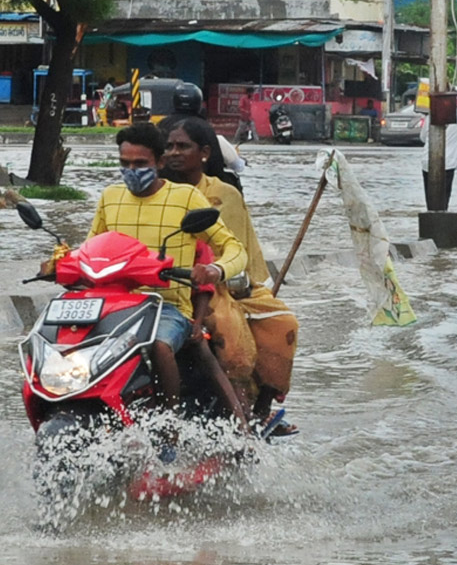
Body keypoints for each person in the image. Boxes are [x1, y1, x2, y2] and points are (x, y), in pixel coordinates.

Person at [87, 122, 249, 428]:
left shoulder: (186, 198)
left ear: (159, 163)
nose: (132, 171)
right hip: (115, 306)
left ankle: (168, 424)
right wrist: (60, 263)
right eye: (125, 164)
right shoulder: (110, 197)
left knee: (159, 344)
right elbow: (90, 246)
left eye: (140, 164)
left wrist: (215, 269)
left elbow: (235, 249)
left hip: (168, 307)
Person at [162, 117, 300, 432]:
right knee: (227, 333)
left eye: (183, 146)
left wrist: (220, 275)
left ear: (205, 153)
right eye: (169, 147)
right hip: (163, 283)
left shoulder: (224, 195)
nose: (174, 153)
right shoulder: (154, 191)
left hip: (219, 282)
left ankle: (256, 409)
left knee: (282, 325)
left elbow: (235, 249)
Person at [419, 84, 457, 205]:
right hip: (447, 163)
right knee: (444, 199)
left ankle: (431, 220)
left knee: (430, 199)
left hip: (428, 161)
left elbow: (422, 137)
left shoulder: (431, 115)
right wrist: (455, 88)